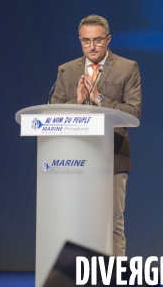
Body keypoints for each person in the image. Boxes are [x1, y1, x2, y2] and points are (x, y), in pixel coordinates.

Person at [50, 14, 142, 256]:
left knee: (112, 223)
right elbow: (52, 114)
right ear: (80, 40)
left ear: (108, 39)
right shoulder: (67, 70)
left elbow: (133, 113)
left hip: (112, 157)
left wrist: (100, 99)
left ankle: (117, 279)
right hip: (72, 160)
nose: (91, 47)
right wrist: (77, 102)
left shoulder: (127, 68)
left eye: (97, 40)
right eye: (86, 41)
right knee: (75, 223)